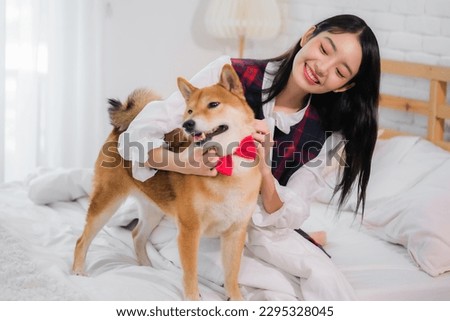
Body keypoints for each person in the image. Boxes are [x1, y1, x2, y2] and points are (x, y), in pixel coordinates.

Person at [118, 14, 380, 300]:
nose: (322, 68)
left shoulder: (328, 134)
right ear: (308, 36)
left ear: (343, 87)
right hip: (200, 215)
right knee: (259, 280)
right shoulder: (229, 73)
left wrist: (264, 171)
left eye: (340, 72)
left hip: (255, 225)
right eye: (325, 49)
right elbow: (132, 141)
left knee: (322, 278)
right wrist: (183, 162)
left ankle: (312, 239)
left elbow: (290, 211)